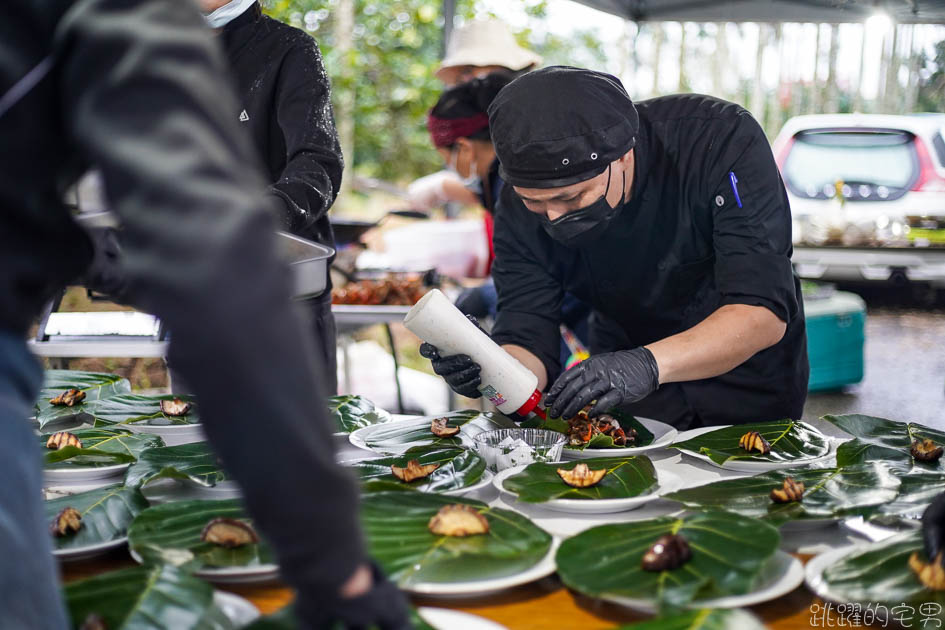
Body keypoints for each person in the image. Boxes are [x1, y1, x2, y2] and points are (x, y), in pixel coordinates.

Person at [0, 0, 406, 627]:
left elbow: (315, 164)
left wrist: (83, 249)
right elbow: (212, 272)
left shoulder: (283, 50)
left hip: (278, 279)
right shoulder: (124, 20)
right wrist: (339, 574)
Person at [422, 66, 808, 431]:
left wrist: (648, 363)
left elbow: (761, 311)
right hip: (625, 377)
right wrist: (487, 366)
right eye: (535, 203)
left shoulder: (718, 140)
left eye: (572, 198)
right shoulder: (514, 208)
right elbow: (528, 338)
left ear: (624, 156)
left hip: (745, 375)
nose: (553, 217)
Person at [195, 0, 342, 393]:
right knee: (195, 440)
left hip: (283, 293)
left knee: (296, 443)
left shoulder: (290, 51)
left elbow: (318, 162)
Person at [406, 19, 541, 213]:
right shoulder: (498, 139)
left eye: (470, 72)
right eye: (462, 78)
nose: (467, 84)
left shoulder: (535, 132)